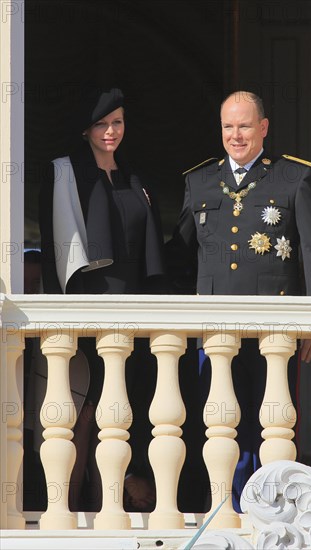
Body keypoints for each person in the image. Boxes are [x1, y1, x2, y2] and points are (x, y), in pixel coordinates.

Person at [168, 90, 311, 512]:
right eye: (228, 126)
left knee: (274, 423)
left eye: (244, 125)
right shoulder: (199, 181)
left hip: (273, 330)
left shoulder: (295, 178)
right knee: (221, 423)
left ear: (263, 128)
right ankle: (228, 508)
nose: (235, 135)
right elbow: (180, 259)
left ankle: (274, 511)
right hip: (215, 332)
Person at [39, 86, 166, 511]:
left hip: (135, 308)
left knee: (126, 407)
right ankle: (74, 506)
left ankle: (110, 502)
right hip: (89, 304)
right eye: (101, 124)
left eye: (117, 122)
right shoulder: (66, 175)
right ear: (85, 129)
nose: (110, 131)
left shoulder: (135, 178)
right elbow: (54, 248)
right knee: (91, 408)